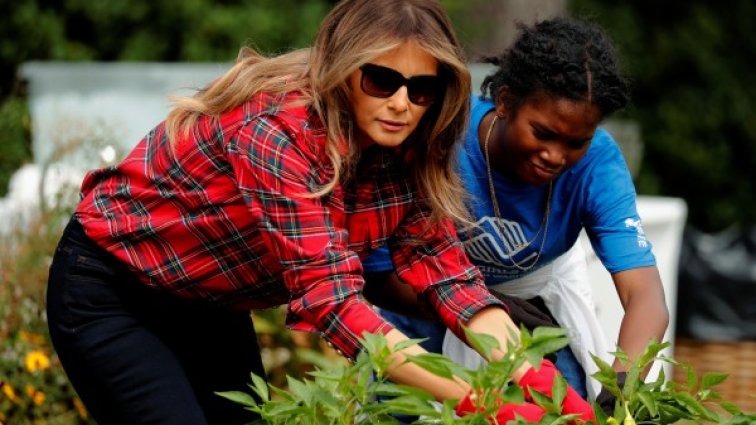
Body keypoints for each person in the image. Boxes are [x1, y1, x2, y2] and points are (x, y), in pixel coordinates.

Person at [45, 1, 596, 424]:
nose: (402, 102)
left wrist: (543, 383)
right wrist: (481, 403)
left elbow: (447, 274)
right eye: (382, 80)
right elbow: (334, 302)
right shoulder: (279, 132)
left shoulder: (406, 148)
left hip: (209, 304)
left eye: (422, 87)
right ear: (344, 68)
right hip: (113, 289)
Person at [363, 16, 670, 402]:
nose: (555, 156)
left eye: (576, 142)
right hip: (422, 304)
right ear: (505, 102)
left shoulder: (598, 166)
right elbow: (376, 274)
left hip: (534, 311)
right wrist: (485, 308)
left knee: (561, 407)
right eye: (543, 133)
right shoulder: (443, 134)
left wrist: (625, 384)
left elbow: (645, 296)